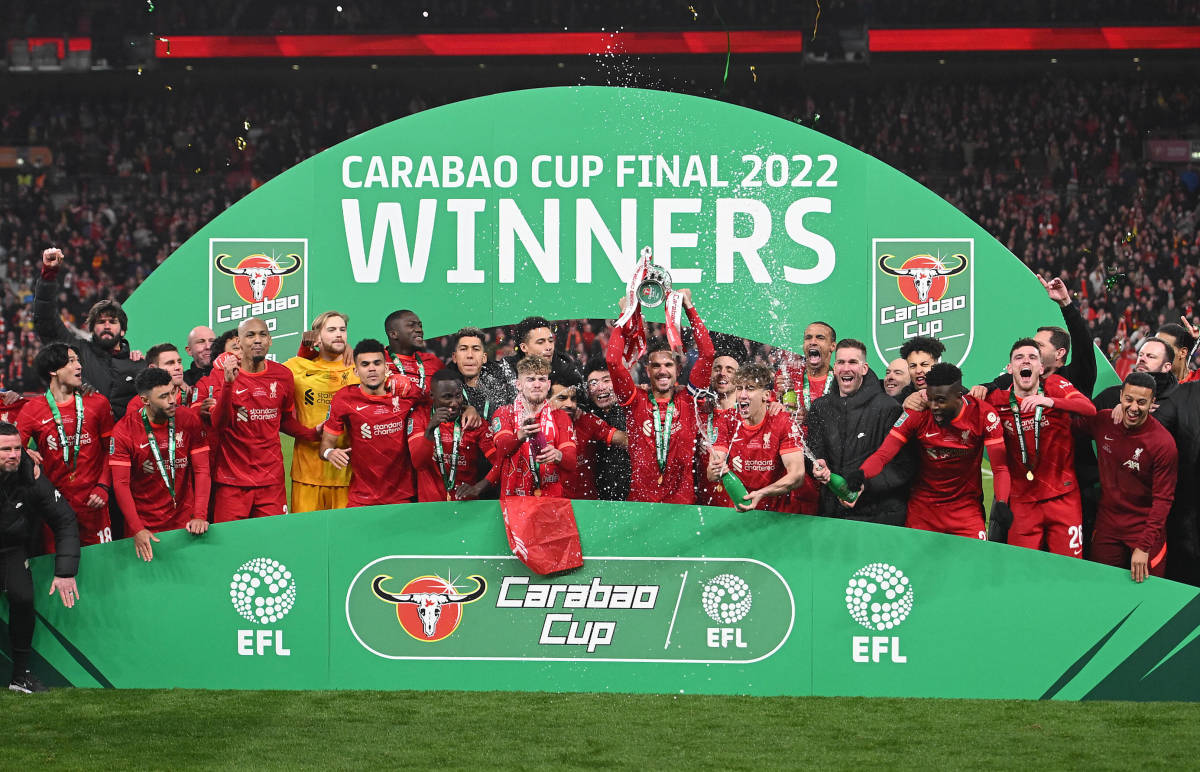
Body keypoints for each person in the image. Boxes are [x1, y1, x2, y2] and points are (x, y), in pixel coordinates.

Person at [851, 363, 1010, 539]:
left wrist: (1002, 502)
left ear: (959, 395)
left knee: (972, 565)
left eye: (941, 400)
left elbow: (1000, 468)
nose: (933, 406)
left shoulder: (982, 415)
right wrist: (861, 475)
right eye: (931, 398)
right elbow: (884, 454)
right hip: (923, 511)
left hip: (965, 511)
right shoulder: (918, 413)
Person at [986, 338, 1096, 557]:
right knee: (1022, 569)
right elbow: (961, 403)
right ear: (1010, 369)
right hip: (1023, 502)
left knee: (1069, 568)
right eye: (1019, 357)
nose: (1026, 361)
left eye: (1032, 357)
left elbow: (1089, 409)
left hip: (1063, 497)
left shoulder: (1055, 385)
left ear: (1041, 368)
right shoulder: (996, 400)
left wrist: (1050, 402)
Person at [606, 291, 714, 504]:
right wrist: (626, 312)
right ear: (647, 370)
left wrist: (689, 307)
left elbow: (708, 354)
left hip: (682, 506)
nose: (662, 371)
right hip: (641, 504)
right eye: (656, 365)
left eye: (668, 365)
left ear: (678, 369)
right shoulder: (635, 401)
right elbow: (612, 362)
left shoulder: (690, 399)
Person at [211, 318, 319, 521]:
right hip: (232, 481)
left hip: (271, 480)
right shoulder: (222, 373)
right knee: (231, 547)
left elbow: (284, 419)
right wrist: (228, 384)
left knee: (273, 544)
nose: (257, 340)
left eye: (262, 335)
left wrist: (312, 434)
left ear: (270, 340)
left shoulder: (283, 376)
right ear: (239, 342)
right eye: (250, 335)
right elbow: (219, 423)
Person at [0, 423, 81, 694]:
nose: (13, 454)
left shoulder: (31, 475)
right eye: (5, 449)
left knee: (23, 599)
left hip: (12, 548)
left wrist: (65, 571)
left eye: (16, 448)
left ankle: (20, 676)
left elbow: (65, 519)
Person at [17, 343, 115, 546]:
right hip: (55, 505)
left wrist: (104, 486)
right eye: (71, 361)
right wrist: (25, 452)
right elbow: (12, 448)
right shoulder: (32, 409)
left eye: (78, 360)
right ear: (53, 370)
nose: (79, 366)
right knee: (62, 569)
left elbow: (110, 451)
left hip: (94, 502)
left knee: (101, 566)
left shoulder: (98, 403)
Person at [808, 339, 915, 525]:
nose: (846, 368)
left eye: (853, 362)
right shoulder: (820, 407)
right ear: (834, 368)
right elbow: (814, 450)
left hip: (878, 516)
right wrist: (818, 466)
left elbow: (903, 466)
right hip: (831, 514)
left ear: (864, 368)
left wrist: (864, 486)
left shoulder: (889, 408)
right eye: (841, 362)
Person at [109, 367, 210, 562]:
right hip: (145, 527)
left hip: (186, 523)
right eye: (164, 396)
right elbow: (121, 485)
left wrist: (200, 514)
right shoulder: (124, 430)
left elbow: (202, 470)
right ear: (145, 400)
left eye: (173, 392)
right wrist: (137, 529)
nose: (172, 400)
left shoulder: (188, 419)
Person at [1083, 372, 1177, 582]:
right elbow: (1070, 425)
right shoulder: (1104, 420)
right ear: (1120, 396)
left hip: (1144, 529)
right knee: (1101, 586)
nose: (1134, 407)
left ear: (1152, 403)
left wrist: (1144, 547)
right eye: (1129, 399)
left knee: (1148, 594)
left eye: (1142, 402)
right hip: (1107, 525)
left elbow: (1163, 500)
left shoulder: (1163, 443)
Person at [33, 248, 146, 418]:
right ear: (92, 329)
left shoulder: (138, 365)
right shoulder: (78, 352)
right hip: (86, 440)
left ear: (123, 330)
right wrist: (49, 274)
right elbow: (46, 322)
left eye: (112, 322)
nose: (106, 326)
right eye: (101, 322)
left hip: (127, 441)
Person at [322, 339, 423, 507]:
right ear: (356, 371)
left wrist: (468, 408)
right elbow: (325, 445)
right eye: (365, 364)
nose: (372, 369)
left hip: (402, 498)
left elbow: (439, 400)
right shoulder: (344, 399)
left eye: (377, 363)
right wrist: (329, 453)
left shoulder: (404, 394)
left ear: (386, 367)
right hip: (361, 499)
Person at [284, 311, 358, 513]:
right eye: (331, 330)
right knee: (305, 538)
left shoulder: (359, 368)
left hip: (346, 474)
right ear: (316, 336)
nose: (339, 335)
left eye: (342, 330)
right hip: (307, 473)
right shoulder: (296, 367)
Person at [706, 363, 806, 511]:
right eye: (739, 388)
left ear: (766, 395)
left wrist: (761, 493)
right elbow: (711, 474)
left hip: (775, 514)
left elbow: (797, 475)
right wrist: (715, 469)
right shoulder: (727, 421)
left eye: (750, 388)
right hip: (738, 510)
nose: (743, 394)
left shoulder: (782, 421)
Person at [488, 355, 576, 498]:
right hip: (515, 502)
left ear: (548, 385)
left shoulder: (560, 416)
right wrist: (521, 435)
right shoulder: (505, 413)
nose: (537, 384)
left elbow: (571, 461)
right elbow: (502, 450)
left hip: (552, 503)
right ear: (518, 384)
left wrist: (558, 455)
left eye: (541, 379)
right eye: (530, 379)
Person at [409, 369, 495, 503]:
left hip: (466, 506)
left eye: (458, 396)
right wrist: (430, 429)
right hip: (430, 508)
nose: (454, 403)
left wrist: (478, 488)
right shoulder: (420, 417)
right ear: (432, 396)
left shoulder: (473, 422)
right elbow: (419, 464)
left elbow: (502, 464)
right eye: (447, 397)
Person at [546, 377, 626, 500]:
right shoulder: (538, 424)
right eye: (562, 398)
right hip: (549, 503)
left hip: (585, 505)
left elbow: (624, 440)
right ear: (547, 400)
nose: (570, 404)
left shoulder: (585, 420)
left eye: (573, 399)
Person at [480, 316, 584, 408]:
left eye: (550, 341)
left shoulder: (566, 368)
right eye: (541, 342)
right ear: (524, 347)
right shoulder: (506, 369)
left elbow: (582, 403)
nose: (549, 347)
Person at [581, 356, 631, 501]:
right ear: (587, 390)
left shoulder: (632, 410)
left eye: (606, 380)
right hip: (594, 499)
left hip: (631, 498)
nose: (600, 387)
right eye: (593, 383)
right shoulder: (581, 414)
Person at [777, 322, 836, 411]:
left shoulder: (840, 381)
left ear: (832, 346)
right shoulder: (789, 376)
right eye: (808, 338)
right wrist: (778, 398)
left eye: (820, 338)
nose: (813, 342)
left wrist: (806, 418)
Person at [383, 309, 443, 395]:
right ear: (393, 334)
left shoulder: (433, 362)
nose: (419, 330)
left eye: (420, 326)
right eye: (411, 325)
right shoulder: (375, 360)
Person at [448, 327, 494, 420]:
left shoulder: (499, 388)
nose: (469, 355)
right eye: (463, 349)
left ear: (484, 357)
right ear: (454, 357)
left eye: (476, 349)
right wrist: (465, 408)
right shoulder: (445, 391)